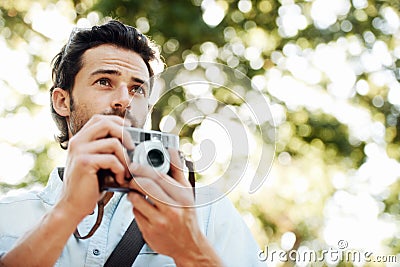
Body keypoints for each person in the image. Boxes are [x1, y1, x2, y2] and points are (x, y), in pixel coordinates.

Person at [0, 20, 264, 267]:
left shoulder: (207, 214)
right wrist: (66, 213)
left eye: (137, 89)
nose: (125, 100)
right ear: (62, 101)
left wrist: (191, 249)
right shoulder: (7, 217)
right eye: (104, 82)